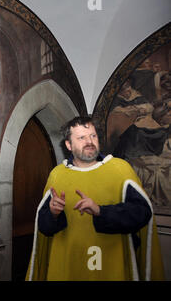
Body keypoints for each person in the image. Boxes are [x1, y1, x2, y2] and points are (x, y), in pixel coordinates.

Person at [25, 116, 164, 281]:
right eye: (81, 137)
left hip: (110, 264)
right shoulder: (57, 175)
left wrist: (101, 211)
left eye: (93, 136)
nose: (89, 141)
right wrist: (54, 214)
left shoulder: (120, 169)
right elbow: (44, 228)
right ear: (69, 145)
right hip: (66, 264)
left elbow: (142, 213)